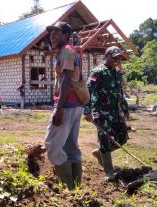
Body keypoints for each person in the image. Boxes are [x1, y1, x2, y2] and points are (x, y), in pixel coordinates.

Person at [44, 22, 83, 190]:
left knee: (52, 145)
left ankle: (68, 187)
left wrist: (58, 109)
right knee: (70, 146)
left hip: (66, 105)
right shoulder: (67, 51)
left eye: (57, 33)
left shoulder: (66, 51)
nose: (52, 36)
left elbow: (67, 79)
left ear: (67, 35)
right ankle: (76, 188)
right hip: (75, 104)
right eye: (51, 33)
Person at [84, 46, 129, 180]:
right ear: (106, 56)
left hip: (116, 112)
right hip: (102, 113)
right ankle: (109, 172)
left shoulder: (117, 73)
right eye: (114, 57)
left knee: (122, 138)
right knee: (105, 141)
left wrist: (125, 109)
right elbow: (87, 91)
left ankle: (100, 153)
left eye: (119, 58)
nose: (117, 60)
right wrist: (87, 111)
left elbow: (120, 93)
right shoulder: (97, 72)